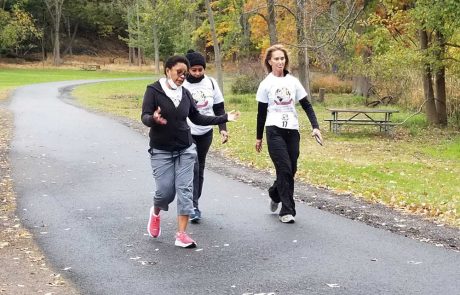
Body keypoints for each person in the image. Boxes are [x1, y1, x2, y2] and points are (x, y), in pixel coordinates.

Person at [141, 55, 239, 248]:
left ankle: (182, 234)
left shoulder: (185, 93)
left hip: (185, 149)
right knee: (165, 192)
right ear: (167, 70)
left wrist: (224, 118)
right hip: (161, 150)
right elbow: (144, 116)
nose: (182, 77)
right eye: (179, 72)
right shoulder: (153, 91)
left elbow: (197, 118)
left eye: (184, 74)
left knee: (185, 190)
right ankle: (156, 211)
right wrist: (153, 119)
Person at [255, 44, 322, 224]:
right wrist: (259, 137)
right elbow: (261, 113)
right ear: (269, 61)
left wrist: (315, 127)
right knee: (284, 168)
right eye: (276, 58)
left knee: (291, 170)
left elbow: (306, 105)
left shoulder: (293, 81)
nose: (280, 61)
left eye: (282, 58)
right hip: (274, 129)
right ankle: (287, 210)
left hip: (292, 130)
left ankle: (274, 193)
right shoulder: (266, 84)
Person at [183, 50, 228, 223]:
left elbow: (219, 107)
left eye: (200, 69)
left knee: (200, 167)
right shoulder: (183, 85)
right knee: (193, 166)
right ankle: (192, 206)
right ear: (188, 70)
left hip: (206, 131)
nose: (197, 73)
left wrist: (222, 128)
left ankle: (195, 202)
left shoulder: (211, 83)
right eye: (193, 70)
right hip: (188, 131)